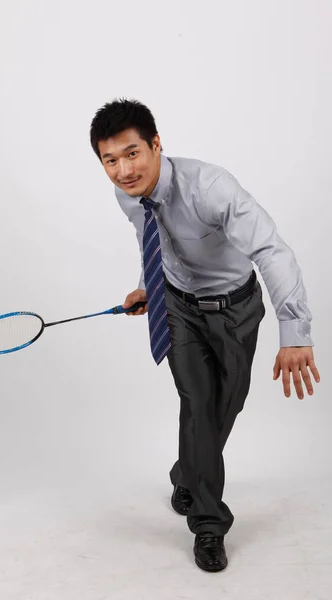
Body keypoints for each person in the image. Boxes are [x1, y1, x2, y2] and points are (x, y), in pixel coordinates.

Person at [89, 98, 320, 572]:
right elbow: (150, 238)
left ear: (156, 144)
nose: (123, 170)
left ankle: (186, 474)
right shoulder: (126, 193)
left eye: (132, 153)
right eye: (109, 160)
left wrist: (294, 331)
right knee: (196, 404)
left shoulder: (211, 188)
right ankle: (209, 525)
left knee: (224, 406)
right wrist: (148, 283)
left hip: (235, 309)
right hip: (178, 307)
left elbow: (271, 250)